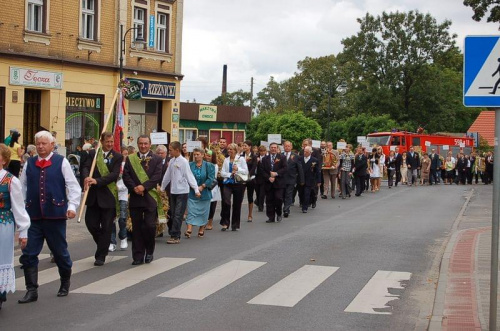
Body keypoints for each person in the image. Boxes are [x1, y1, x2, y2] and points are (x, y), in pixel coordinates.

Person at [19, 131, 81, 303]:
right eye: (38, 143)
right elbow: (22, 188)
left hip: (55, 215)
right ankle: (31, 290)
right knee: (29, 253)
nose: (40, 146)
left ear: (52, 145)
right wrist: (22, 209)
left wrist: (71, 206)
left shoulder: (61, 162)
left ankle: (65, 282)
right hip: (33, 217)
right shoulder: (29, 163)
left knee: (60, 253)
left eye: (44, 143)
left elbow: (73, 187)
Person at [81, 132, 123, 266]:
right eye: (107, 142)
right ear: (102, 141)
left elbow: (114, 175)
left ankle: (101, 256)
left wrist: (97, 181)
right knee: (91, 223)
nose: (110, 144)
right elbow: (85, 167)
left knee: (106, 227)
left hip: (108, 196)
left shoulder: (117, 156)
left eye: (112, 142)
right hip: (93, 197)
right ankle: (103, 244)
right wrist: (87, 177)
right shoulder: (93, 154)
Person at [123, 135, 164, 263]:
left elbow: (157, 177)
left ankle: (149, 251)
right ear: (137, 144)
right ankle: (138, 256)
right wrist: (134, 187)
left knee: (149, 226)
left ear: (150, 144)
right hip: (135, 197)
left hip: (150, 198)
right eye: (141, 143)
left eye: (146, 143)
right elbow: (126, 176)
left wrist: (143, 187)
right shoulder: (131, 159)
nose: (143, 146)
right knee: (136, 228)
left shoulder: (157, 159)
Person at [0, 144, 30, 310]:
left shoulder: (11, 181)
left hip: (3, 223)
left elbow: (19, 208)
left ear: (3, 160)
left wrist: (23, 231)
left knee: (1, 258)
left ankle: (0, 293)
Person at [160, 141, 199, 244]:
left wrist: (195, 189)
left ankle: (175, 236)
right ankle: (174, 232)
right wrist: (162, 188)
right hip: (173, 191)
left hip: (182, 191)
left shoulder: (183, 162)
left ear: (177, 150)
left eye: (171, 150)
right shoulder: (172, 161)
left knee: (178, 214)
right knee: (172, 213)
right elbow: (167, 176)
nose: (170, 152)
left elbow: (189, 175)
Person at [185, 148, 214, 238]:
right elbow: (187, 177)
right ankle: (189, 229)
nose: (196, 156)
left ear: (202, 155)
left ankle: (201, 229)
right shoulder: (190, 165)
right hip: (192, 192)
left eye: (198, 154)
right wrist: (193, 187)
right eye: (194, 155)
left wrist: (203, 186)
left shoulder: (209, 165)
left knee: (203, 212)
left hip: (204, 192)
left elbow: (211, 178)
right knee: (191, 210)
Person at [220, 143, 248, 230]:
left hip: (238, 183)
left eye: (231, 149)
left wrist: (237, 169)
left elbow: (246, 172)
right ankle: (225, 223)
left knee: (237, 204)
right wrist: (229, 174)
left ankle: (235, 224)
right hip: (227, 183)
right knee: (226, 202)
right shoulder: (226, 160)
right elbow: (222, 172)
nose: (229, 151)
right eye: (228, 149)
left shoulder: (241, 159)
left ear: (235, 150)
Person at [110, 147, 129, 251]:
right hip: (112, 195)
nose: (124, 156)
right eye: (123, 154)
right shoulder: (114, 166)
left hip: (123, 195)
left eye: (126, 154)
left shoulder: (127, 166)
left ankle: (123, 237)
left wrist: (120, 187)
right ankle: (112, 241)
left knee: (122, 218)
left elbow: (128, 180)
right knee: (111, 219)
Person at [282, 141, 303, 218]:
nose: (287, 147)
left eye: (288, 146)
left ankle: (286, 209)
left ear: (291, 147)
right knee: (283, 194)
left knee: (289, 194)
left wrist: (301, 180)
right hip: (282, 179)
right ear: (283, 147)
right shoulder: (280, 155)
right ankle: (285, 205)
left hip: (291, 178)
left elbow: (299, 169)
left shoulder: (296, 156)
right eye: (285, 146)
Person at [298, 146, 320, 212]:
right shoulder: (300, 159)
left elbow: (317, 171)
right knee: (301, 193)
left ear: (310, 152)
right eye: (304, 151)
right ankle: (302, 202)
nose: (305, 153)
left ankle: (305, 207)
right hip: (301, 179)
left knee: (307, 193)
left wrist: (319, 180)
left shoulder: (314, 160)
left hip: (310, 179)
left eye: (307, 152)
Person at [240, 140, 257, 222]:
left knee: (250, 196)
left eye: (245, 146)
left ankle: (250, 215)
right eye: (243, 146)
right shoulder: (240, 156)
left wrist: (247, 177)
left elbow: (253, 168)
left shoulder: (254, 156)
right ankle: (237, 214)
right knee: (240, 196)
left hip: (251, 178)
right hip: (242, 179)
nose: (244, 147)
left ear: (250, 147)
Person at [205, 150, 220, 230]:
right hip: (205, 187)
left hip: (212, 187)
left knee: (212, 206)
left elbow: (212, 177)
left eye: (209, 156)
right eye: (206, 155)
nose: (207, 157)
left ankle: (210, 222)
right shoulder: (203, 164)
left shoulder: (214, 166)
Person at [255, 145, 268, 213]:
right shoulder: (256, 158)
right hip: (257, 177)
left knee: (262, 193)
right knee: (258, 192)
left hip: (264, 178)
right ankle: (258, 202)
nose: (262, 152)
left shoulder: (267, 158)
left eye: (263, 151)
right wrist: (256, 162)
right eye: (261, 151)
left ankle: (261, 206)